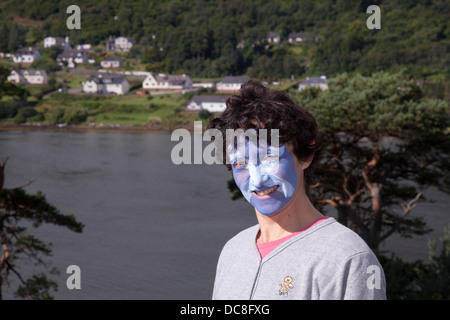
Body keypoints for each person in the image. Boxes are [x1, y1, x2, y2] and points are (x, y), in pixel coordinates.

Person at [207, 80, 386, 300]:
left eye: (269, 157)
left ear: (305, 155)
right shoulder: (232, 251)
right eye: (241, 163)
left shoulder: (349, 259)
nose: (257, 179)